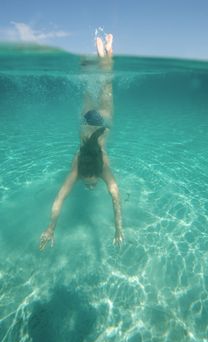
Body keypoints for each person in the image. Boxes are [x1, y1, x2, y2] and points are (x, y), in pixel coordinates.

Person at [39, 33, 124, 251]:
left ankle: (107, 50)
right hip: (87, 121)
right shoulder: (92, 168)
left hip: (103, 121)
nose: (91, 185)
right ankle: (93, 58)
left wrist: (51, 228)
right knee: (90, 88)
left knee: (106, 85)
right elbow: (113, 195)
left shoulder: (82, 169)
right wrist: (118, 229)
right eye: (93, 184)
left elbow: (60, 199)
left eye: (90, 184)